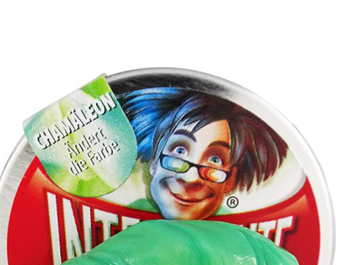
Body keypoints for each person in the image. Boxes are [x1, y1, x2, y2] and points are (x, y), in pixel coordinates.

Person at [119, 88, 288, 220]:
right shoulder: (131, 212)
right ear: (155, 160)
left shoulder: (230, 230)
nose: (190, 178)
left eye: (215, 159)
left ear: (231, 180)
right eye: (180, 151)